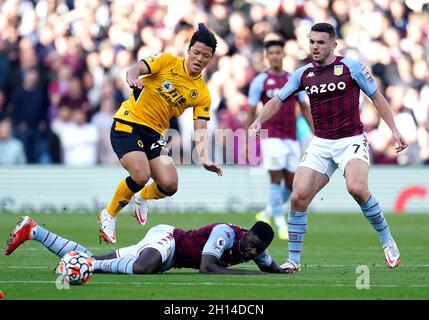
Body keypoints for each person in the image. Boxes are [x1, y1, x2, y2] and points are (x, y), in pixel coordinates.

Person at [248, 23, 408, 272]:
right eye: (312, 41)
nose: (315, 46)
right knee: (298, 197)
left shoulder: (351, 67)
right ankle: (293, 260)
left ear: (333, 45)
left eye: (321, 42)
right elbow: (278, 100)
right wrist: (258, 120)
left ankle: (387, 240)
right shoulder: (303, 74)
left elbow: (376, 97)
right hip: (321, 142)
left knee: (356, 188)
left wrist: (395, 130)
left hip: (351, 140)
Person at [99, 23, 223, 244]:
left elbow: (200, 127)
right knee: (140, 175)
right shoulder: (167, 61)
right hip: (128, 124)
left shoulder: (202, 93)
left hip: (155, 135)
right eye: (196, 53)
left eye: (206, 56)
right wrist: (132, 77)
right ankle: (109, 214)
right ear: (188, 50)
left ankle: (142, 196)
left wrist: (204, 158)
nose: (199, 59)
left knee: (170, 185)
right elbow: (135, 68)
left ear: (210, 59)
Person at [5, 216, 287, 275]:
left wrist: (282, 270)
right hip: (168, 239)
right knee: (143, 267)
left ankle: (35, 231)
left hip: (171, 259)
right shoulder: (226, 232)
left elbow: (271, 267)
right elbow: (207, 268)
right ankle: (86, 267)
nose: (251, 252)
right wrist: (252, 273)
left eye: (256, 250)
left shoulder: (258, 251)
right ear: (246, 233)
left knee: (95, 256)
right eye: (251, 243)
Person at [244, 33, 313, 240]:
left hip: (291, 138)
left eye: (278, 52)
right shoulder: (260, 81)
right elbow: (250, 112)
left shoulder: (293, 79)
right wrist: (247, 139)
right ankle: (281, 224)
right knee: (275, 179)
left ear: (283, 54)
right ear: (267, 56)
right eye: (271, 53)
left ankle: (266, 213)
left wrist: (316, 133)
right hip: (271, 137)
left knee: (292, 184)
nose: (274, 56)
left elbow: (304, 106)